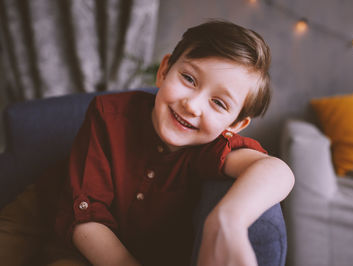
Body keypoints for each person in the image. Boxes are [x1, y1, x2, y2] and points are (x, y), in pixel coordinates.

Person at [54, 20, 295, 266]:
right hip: (86, 254)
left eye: (219, 103)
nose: (192, 105)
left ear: (234, 125)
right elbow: (86, 219)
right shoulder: (108, 116)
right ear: (164, 71)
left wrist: (228, 219)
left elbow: (278, 171)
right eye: (189, 79)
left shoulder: (209, 148)